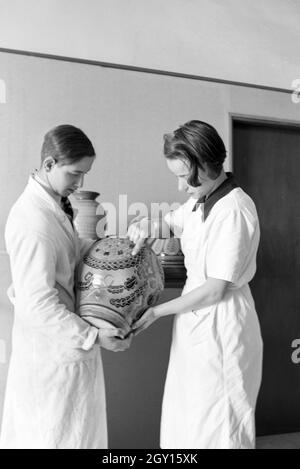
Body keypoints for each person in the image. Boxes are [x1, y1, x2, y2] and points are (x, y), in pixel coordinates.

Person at [128, 120, 263, 449]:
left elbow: (216, 288)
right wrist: (148, 224)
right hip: (196, 323)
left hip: (223, 324)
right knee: (190, 418)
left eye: (181, 176)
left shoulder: (233, 209)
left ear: (204, 164)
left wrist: (155, 312)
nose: (179, 187)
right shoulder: (202, 199)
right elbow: (174, 221)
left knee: (220, 426)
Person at [0, 124, 131, 449]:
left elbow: (66, 252)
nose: (80, 183)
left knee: (77, 436)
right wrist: (93, 335)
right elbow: (38, 305)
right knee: (55, 439)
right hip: (51, 360)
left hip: (65, 357)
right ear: (48, 164)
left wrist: (111, 249)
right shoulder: (33, 221)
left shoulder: (53, 206)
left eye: (84, 174)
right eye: (74, 174)